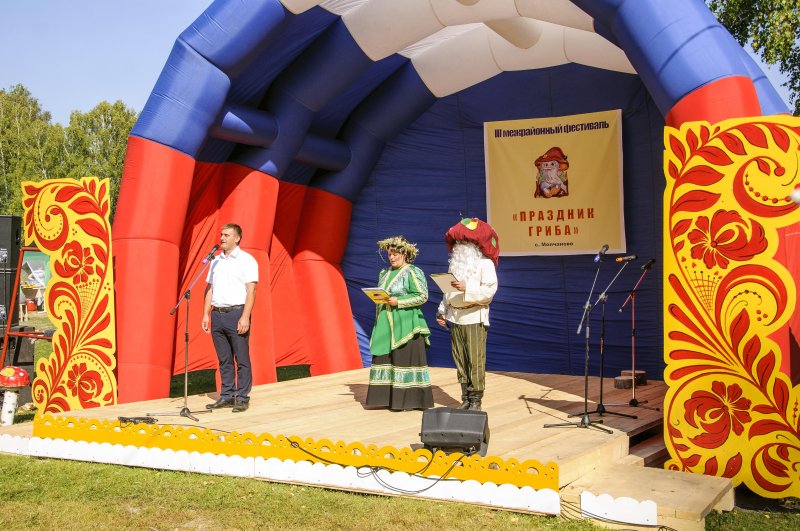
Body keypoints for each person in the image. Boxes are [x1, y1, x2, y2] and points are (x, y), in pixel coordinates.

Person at [436, 218, 499, 411]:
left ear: (474, 245)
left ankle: (475, 400)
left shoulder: (484, 264)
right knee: (460, 359)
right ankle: (465, 397)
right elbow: (448, 291)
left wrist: (467, 287)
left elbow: (489, 291)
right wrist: (442, 311)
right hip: (455, 317)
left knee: (474, 359)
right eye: (457, 243)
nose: (459, 247)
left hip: (473, 316)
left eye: (464, 242)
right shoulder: (455, 266)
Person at [365, 236, 434, 411]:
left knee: (403, 359)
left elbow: (422, 295)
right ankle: (386, 398)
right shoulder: (384, 273)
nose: (392, 258)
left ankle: (408, 401)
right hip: (385, 322)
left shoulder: (412, 271)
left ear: (404, 254)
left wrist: (400, 302)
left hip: (406, 323)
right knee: (384, 357)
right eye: (389, 254)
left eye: (395, 254)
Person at [202, 223, 258, 413]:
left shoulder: (247, 260)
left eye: (226, 235)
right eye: (221, 234)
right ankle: (226, 395)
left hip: (236, 313)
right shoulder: (215, 261)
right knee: (224, 359)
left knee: (241, 358)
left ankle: (242, 397)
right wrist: (205, 314)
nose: (222, 238)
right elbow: (209, 288)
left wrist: (245, 317)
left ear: (237, 238)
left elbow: (251, 291)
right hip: (218, 314)